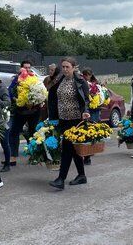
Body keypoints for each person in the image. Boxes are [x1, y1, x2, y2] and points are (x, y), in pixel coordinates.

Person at [48, 57, 91, 190]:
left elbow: (86, 100)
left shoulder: (80, 81)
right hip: (63, 119)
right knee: (73, 150)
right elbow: (53, 96)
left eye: (68, 67)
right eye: (63, 67)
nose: (65, 69)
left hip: (75, 120)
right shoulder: (60, 79)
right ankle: (82, 175)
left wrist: (85, 112)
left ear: (73, 67)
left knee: (67, 148)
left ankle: (61, 179)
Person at [9, 60, 41, 167]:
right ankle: (13, 157)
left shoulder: (34, 78)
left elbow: (40, 92)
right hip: (20, 111)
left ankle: (34, 155)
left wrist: (34, 102)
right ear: (21, 68)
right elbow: (10, 91)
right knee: (14, 132)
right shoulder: (16, 79)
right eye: (25, 67)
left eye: (29, 67)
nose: (27, 69)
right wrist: (16, 99)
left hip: (33, 111)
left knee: (33, 132)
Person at [82, 68, 101, 165]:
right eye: (85, 74)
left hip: (94, 110)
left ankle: (88, 154)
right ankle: (86, 154)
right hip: (86, 110)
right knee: (85, 131)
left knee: (92, 131)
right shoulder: (81, 82)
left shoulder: (95, 83)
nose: (87, 76)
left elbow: (101, 94)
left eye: (88, 74)